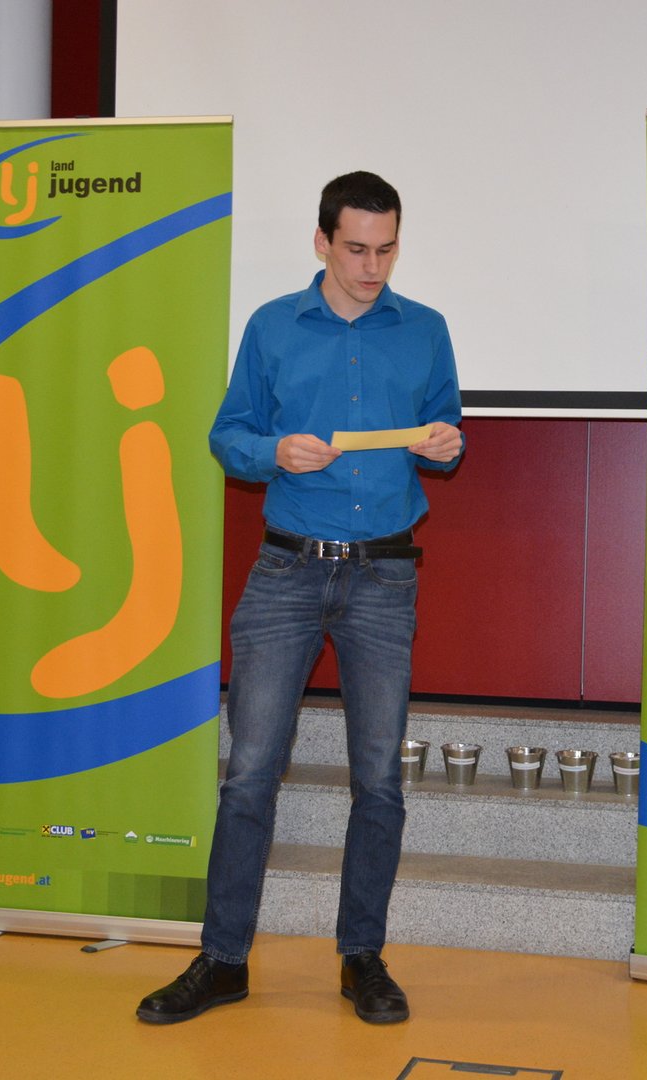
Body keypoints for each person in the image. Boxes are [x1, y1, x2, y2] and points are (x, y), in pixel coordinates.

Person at [137, 171, 463, 1026]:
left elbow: (447, 433)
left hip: (385, 576)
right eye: (356, 249)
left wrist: (445, 443)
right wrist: (273, 453)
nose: (372, 266)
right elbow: (228, 435)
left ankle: (363, 959)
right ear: (322, 242)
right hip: (286, 572)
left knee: (379, 781)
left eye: (386, 249)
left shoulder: (425, 330)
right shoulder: (272, 326)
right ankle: (222, 960)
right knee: (249, 775)